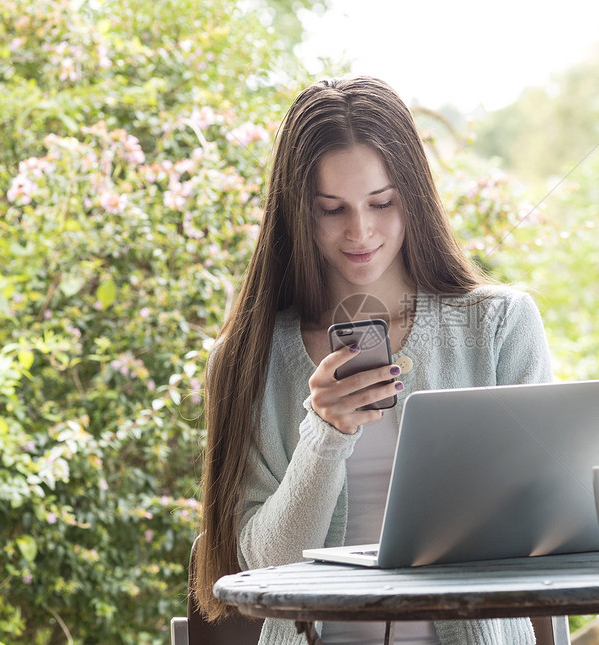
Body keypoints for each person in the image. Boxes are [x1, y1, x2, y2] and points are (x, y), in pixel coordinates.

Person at [194, 76, 553, 644]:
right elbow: (261, 569)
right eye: (331, 209)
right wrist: (324, 434)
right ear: (296, 213)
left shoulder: (498, 326)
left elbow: (544, 527)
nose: (360, 232)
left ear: (414, 195)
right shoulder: (249, 357)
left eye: (381, 203)